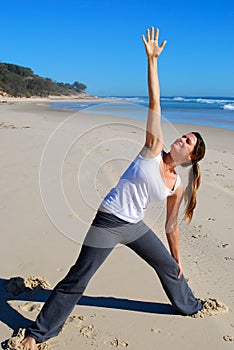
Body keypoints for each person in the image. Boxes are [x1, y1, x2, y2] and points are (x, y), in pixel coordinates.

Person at [21, 26, 205, 350]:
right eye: (185, 134)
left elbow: (172, 226)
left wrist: (177, 259)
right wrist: (152, 62)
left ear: (189, 157)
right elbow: (155, 102)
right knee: (79, 277)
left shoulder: (176, 184)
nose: (182, 137)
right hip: (108, 221)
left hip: (134, 227)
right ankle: (38, 334)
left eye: (187, 141)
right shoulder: (153, 146)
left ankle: (189, 305)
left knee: (168, 267)